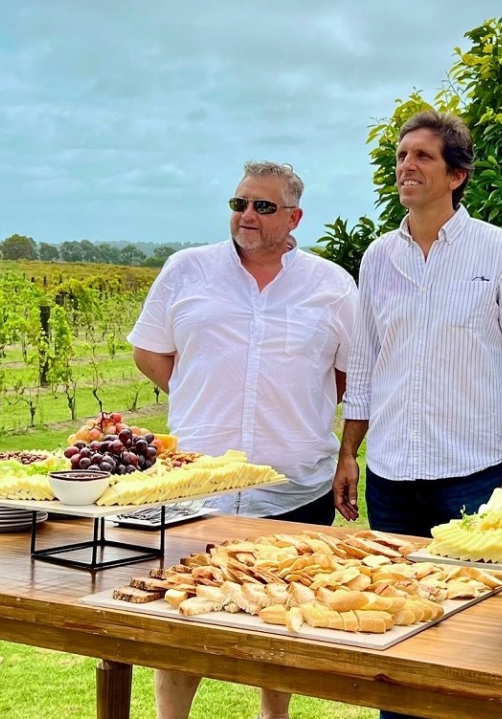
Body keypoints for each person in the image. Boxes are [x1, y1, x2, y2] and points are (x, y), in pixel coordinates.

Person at [128, 161, 358, 719]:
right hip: (193, 490)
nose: (246, 215)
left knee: (283, 620)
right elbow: (149, 350)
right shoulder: (187, 270)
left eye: (262, 206)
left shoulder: (332, 286)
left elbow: (352, 373)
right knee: (180, 620)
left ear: (294, 217)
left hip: (293, 487)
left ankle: (274, 716)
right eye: (239, 204)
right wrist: (196, 391)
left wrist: (328, 429)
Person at [332, 111, 502, 537]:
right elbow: (364, 366)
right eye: (401, 155)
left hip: (472, 478)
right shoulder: (378, 257)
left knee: (478, 597)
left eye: (423, 156)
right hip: (388, 478)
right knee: (398, 598)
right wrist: (348, 455)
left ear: (456, 175)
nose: (406, 165)